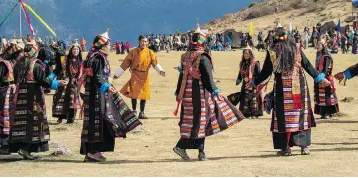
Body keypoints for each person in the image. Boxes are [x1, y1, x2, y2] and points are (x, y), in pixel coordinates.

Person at [252, 23, 328, 156]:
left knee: (283, 117)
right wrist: (319, 78)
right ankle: (304, 146)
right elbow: (307, 65)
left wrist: (254, 82)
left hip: (282, 88)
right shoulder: (296, 47)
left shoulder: (272, 51)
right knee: (301, 115)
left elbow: (265, 72)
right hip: (299, 86)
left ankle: (285, 147)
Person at [173, 25, 243, 161]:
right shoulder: (203, 57)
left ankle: (201, 152)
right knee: (200, 121)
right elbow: (207, 78)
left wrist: (178, 93)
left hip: (186, 94)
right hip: (199, 93)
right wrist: (215, 91)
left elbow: (182, 76)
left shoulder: (185, 56)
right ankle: (183, 146)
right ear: (203, 41)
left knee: (192, 121)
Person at [81, 29, 141, 162]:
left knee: (96, 121)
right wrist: (107, 87)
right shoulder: (98, 58)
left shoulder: (92, 55)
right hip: (98, 94)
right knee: (101, 121)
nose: (110, 46)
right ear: (102, 45)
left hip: (94, 93)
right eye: (108, 44)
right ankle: (92, 152)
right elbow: (98, 77)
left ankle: (93, 151)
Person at [5, 40, 66, 160]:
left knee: (21, 121)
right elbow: (43, 81)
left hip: (21, 96)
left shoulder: (18, 64)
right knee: (34, 121)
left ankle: (20, 146)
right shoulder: (36, 65)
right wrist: (57, 83)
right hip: (33, 96)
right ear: (35, 52)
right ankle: (26, 148)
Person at [113, 35, 166, 119]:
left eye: (145, 41)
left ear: (147, 42)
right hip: (135, 74)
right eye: (142, 41)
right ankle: (134, 111)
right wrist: (118, 74)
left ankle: (142, 112)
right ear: (139, 42)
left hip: (145, 75)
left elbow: (155, 63)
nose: (143, 43)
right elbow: (125, 63)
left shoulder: (150, 52)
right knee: (134, 93)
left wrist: (160, 70)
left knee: (144, 94)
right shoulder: (133, 52)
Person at [52, 41, 83, 124]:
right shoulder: (66, 59)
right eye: (74, 49)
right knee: (60, 98)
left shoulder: (81, 62)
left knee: (72, 100)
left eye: (77, 49)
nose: (75, 51)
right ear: (71, 50)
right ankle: (60, 117)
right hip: (65, 81)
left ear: (79, 51)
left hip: (75, 83)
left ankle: (71, 118)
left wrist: (78, 81)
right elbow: (60, 69)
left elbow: (81, 73)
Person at [235, 45, 263, 118]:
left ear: (250, 54)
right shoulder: (242, 63)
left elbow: (259, 74)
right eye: (244, 53)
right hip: (245, 84)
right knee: (245, 98)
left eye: (247, 53)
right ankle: (245, 113)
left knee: (253, 98)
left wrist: (254, 81)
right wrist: (239, 79)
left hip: (253, 84)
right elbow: (240, 72)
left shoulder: (255, 63)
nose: (246, 55)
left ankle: (254, 113)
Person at [314, 41, 339, 119]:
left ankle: (328, 113)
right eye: (317, 44)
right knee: (320, 96)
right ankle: (323, 113)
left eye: (319, 45)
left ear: (323, 46)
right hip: (319, 78)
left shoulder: (326, 56)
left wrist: (322, 77)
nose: (317, 46)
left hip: (325, 78)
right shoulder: (318, 55)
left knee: (327, 96)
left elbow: (326, 69)